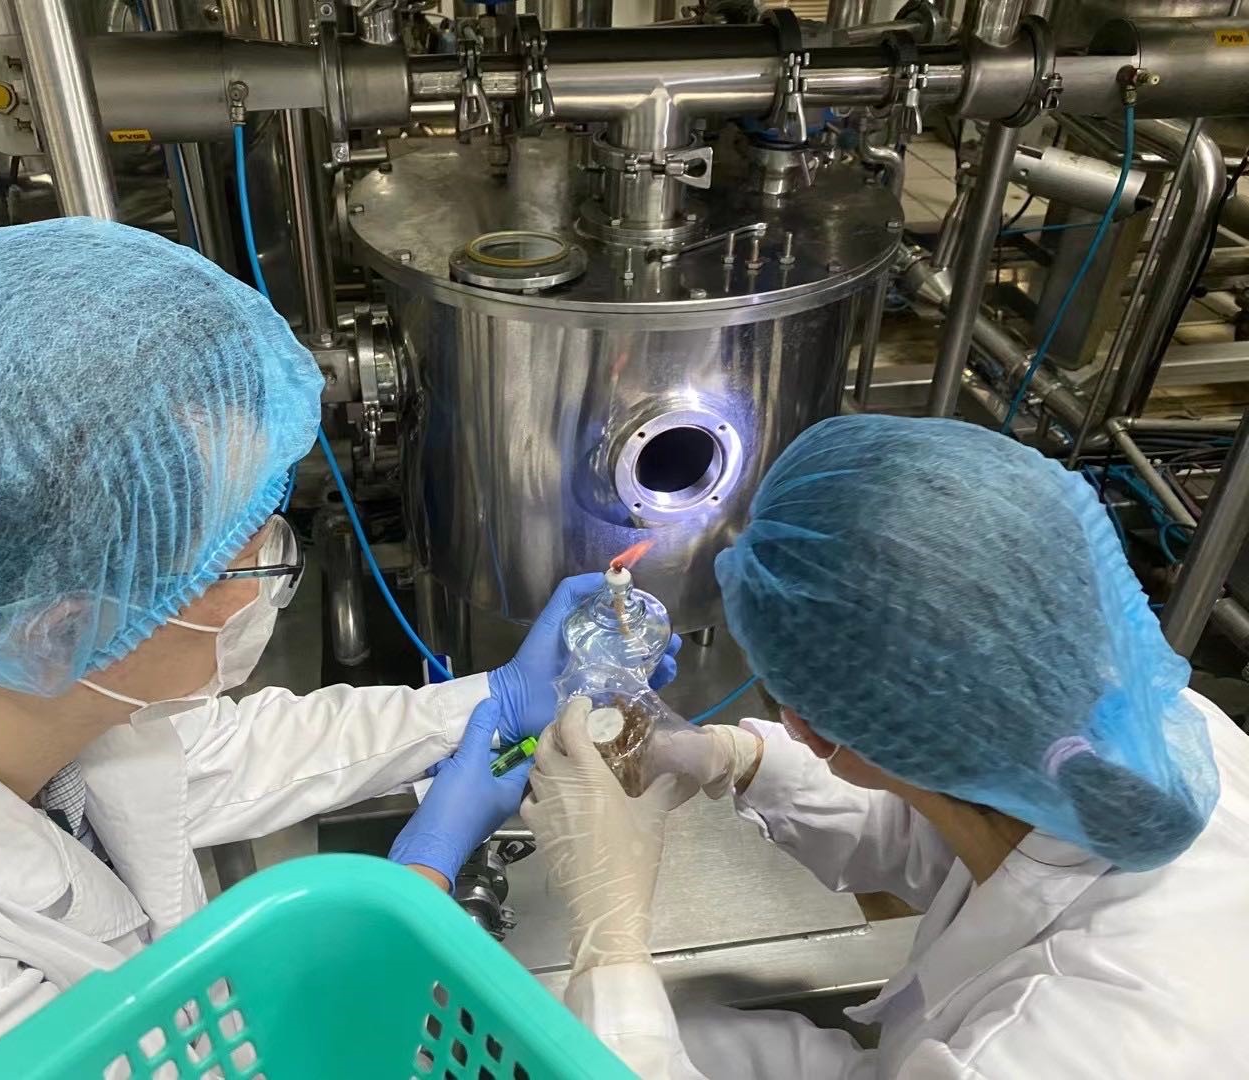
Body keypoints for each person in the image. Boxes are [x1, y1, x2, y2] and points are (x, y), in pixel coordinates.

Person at [0, 218, 677, 1078]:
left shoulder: (11, 690)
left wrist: (497, 698)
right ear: (65, 626)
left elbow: (212, 754)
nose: (272, 564)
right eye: (242, 550)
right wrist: (413, 893)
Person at [524, 414, 1249, 1079]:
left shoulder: (1058, 1051)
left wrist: (610, 942)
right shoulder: (1144, 730)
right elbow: (959, 829)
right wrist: (736, 759)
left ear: (815, 730)